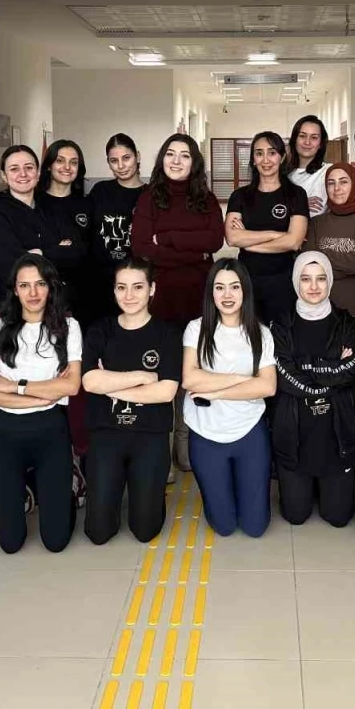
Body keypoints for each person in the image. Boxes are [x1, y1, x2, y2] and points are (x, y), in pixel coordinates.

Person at [0, 254, 83, 554]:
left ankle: (66, 489)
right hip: (4, 434)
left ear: (51, 287)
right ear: (15, 290)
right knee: (10, 543)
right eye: (24, 285)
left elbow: (71, 387)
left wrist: (16, 386)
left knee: (56, 542)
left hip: (51, 431)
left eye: (40, 284)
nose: (33, 293)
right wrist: (46, 393)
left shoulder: (68, 327)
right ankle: (33, 488)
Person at [131, 134, 226, 471]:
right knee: (161, 371)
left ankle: (185, 445)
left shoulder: (206, 198)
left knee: (193, 370)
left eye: (184, 155)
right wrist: (194, 254)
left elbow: (215, 239)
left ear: (194, 162)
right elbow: (141, 246)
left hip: (198, 299)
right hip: (160, 300)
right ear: (161, 159)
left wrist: (168, 239)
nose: (176, 160)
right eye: (170, 154)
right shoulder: (149, 198)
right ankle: (163, 449)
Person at [81, 256, 182, 544]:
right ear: (113, 290)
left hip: (149, 435)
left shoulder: (168, 334)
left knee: (145, 530)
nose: (129, 295)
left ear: (152, 289)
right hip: (107, 433)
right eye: (121, 287)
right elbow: (90, 382)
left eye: (138, 287)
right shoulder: (100, 330)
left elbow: (165, 392)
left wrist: (111, 386)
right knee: (98, 533)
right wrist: (142, 376)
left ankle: (147, 491)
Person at [181, 260, 277, 537]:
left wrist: (216, 391)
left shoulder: (261, 333)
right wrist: (244, 380)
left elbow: (268, 387)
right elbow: (190, 379)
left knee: (255, 527)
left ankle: (238, 484)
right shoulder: (196, 329)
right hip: (206, 434)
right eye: (219, 287)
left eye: (234, 287)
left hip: (249, 431)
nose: (227, 295)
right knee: (223, 527)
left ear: (245, 291)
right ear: (210, 292)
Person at [270, 252, 355, 527]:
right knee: (296, 516)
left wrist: (306, 366)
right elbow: (284, 375)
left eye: (321, 279)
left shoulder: (347, 323)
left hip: (336, 432)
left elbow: (351, 369)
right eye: (305, 279)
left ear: (329, 281)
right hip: (295, 433)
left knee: (339, 517)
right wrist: (331, 368)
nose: (313, 286)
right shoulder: (280, 324)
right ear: (295, 282)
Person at [225, 130, 309, 325]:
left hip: (283, 280)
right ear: (253, 159)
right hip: (246, 280)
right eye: (259, 153)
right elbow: (232, 238)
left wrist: (248, 241)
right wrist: (275, 235)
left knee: (281, 335)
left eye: (272, 153)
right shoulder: (239, 196)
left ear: (282, 157)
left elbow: (294, 242)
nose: (265, 160)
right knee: (249, 334)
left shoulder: (296, 195)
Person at [305, 162, 355, 319]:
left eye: (343, 182)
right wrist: (347, 264)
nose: (337, 188)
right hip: (323, 310)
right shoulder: (316, 223)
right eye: (331, 183)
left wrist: (322, 258)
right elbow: (309, 262)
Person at [0, 145, 51, 313]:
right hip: (7, 308)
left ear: (38, 172)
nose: (23, 174)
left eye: (29, 167)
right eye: (14, 169)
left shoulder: (50, 207)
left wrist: (39, 253)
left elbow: (74, 254)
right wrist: (54, 252)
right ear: (4, 176)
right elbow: (11, 266)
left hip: (50, 306)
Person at [34, 139, 95, 324]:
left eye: (73, 162)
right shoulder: (35, 203)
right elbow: (33, 253)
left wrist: (51, 251)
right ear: (49, 165)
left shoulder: (87, 204)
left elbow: (87, 251)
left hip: (82, 295)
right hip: (44, 295)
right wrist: (59, 251)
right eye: (60, 160)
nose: (67, 167)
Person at [87, 133, 146, 316]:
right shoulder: (101, 191)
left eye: (126, 158)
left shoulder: (150, 195)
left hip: (135, 284)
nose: (121, 166)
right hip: (99, 281)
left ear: (137, 156)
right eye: (114, 160)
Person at [283, 115, 332, 216]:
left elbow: (316, 212)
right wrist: (300, 204)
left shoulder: (328, 171)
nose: (307, 142)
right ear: (295, 139)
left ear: (321, 143)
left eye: (314, 137)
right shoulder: (284, 173)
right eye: (302, 136)